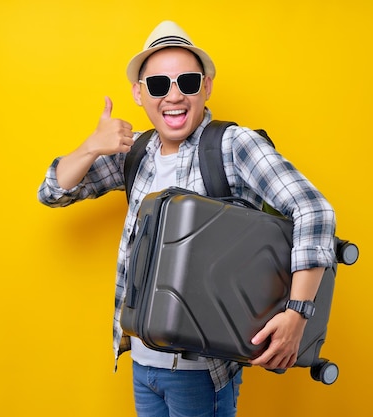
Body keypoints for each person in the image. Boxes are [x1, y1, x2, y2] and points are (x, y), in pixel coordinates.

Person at [38, 20, 336, 417]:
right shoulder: (136, 153)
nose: (173, 95)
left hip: (200, 374)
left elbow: (314, 210)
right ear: (139, 94)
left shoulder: (231, 145)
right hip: (142, 364)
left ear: (207, 86)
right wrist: (91, 147)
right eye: (159, 85)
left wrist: (298, 313)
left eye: (188, 82)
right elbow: (53, 192)